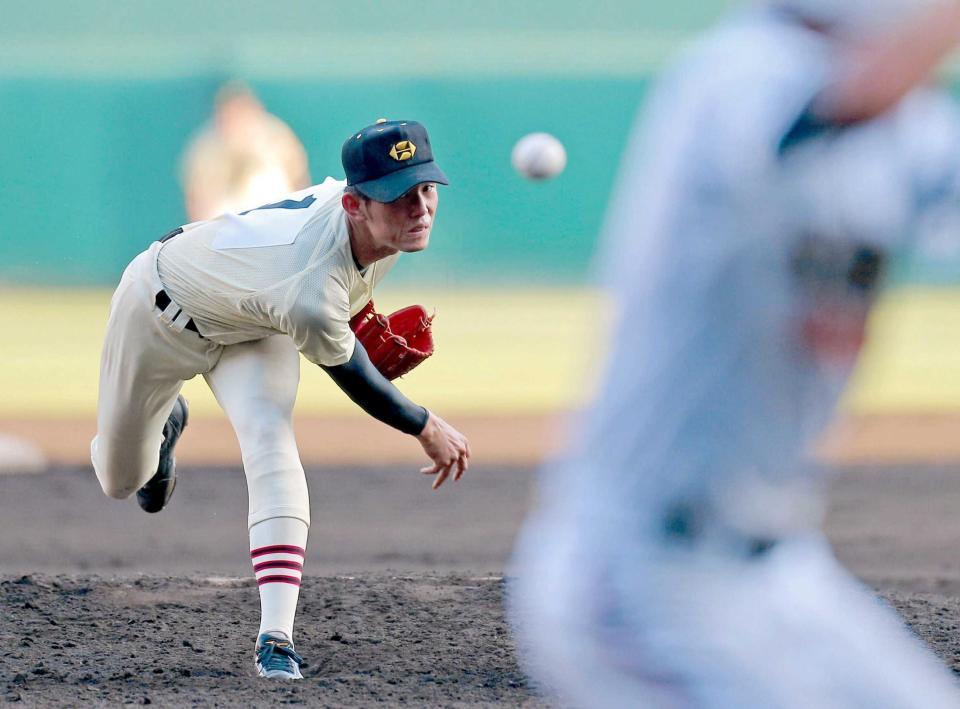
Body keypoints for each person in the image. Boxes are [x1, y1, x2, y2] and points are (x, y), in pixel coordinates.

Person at [510, 1, 960, 706]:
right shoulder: (740, 71)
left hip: (781, 571)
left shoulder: (914, 123)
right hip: (642, 576)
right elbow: (843, 107)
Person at [91, 119, 470, 680]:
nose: (419, 208)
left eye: (425, 188)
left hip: (254, 324)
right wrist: (424, 424)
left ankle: (276, 638)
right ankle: (164, 423)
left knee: (270, 440)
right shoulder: (311, 288)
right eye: (398, 196)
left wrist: (354, 315)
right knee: (120, 479)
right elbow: (355, 376)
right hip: (157, 312)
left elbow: (343, 288)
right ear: (354, 205)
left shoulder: (381, 235)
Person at [181, 81, 311, 222]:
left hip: (274, 219)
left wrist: (300, 218)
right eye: (229, 114)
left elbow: (298, 179)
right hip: (226, 227)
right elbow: (195, 196)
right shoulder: (207, 145)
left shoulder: (275, 137)